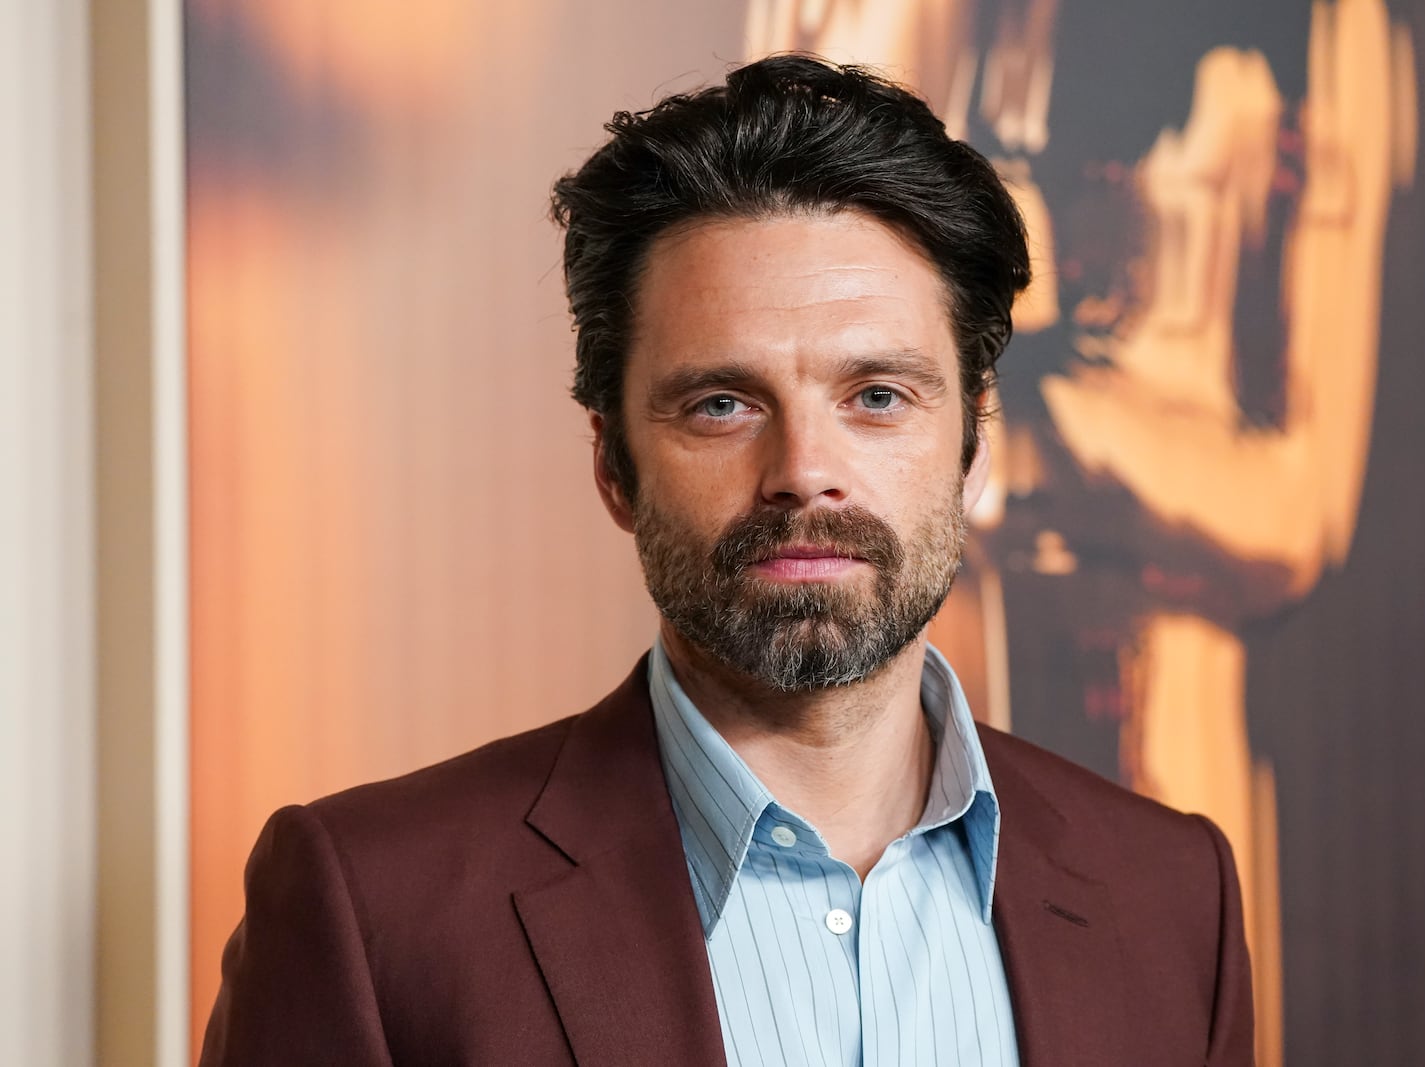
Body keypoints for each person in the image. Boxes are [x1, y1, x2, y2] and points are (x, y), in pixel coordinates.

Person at [199, 54, 1253, 1066]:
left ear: (973, 445)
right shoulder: (376, 907)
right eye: (722, 403)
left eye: (876, 396)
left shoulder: (1173, 895)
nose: (802, 471)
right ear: (614, 463)